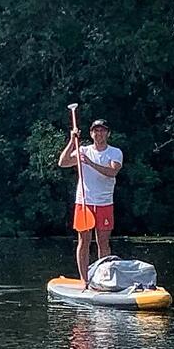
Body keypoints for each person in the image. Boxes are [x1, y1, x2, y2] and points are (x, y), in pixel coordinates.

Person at [57, 118, 123, 285]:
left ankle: (104, 279)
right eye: (96, 130)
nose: (99, 133)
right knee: (84, 241)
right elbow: (62, 162)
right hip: (84, 203)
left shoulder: (114, 152)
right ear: (91, 133)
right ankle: (84, 280)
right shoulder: (83, 150)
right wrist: (72, 141)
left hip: (104, 203)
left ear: (107, 133)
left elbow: (112, 172)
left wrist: (90, 163)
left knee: (103, 242)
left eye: (102, 130)